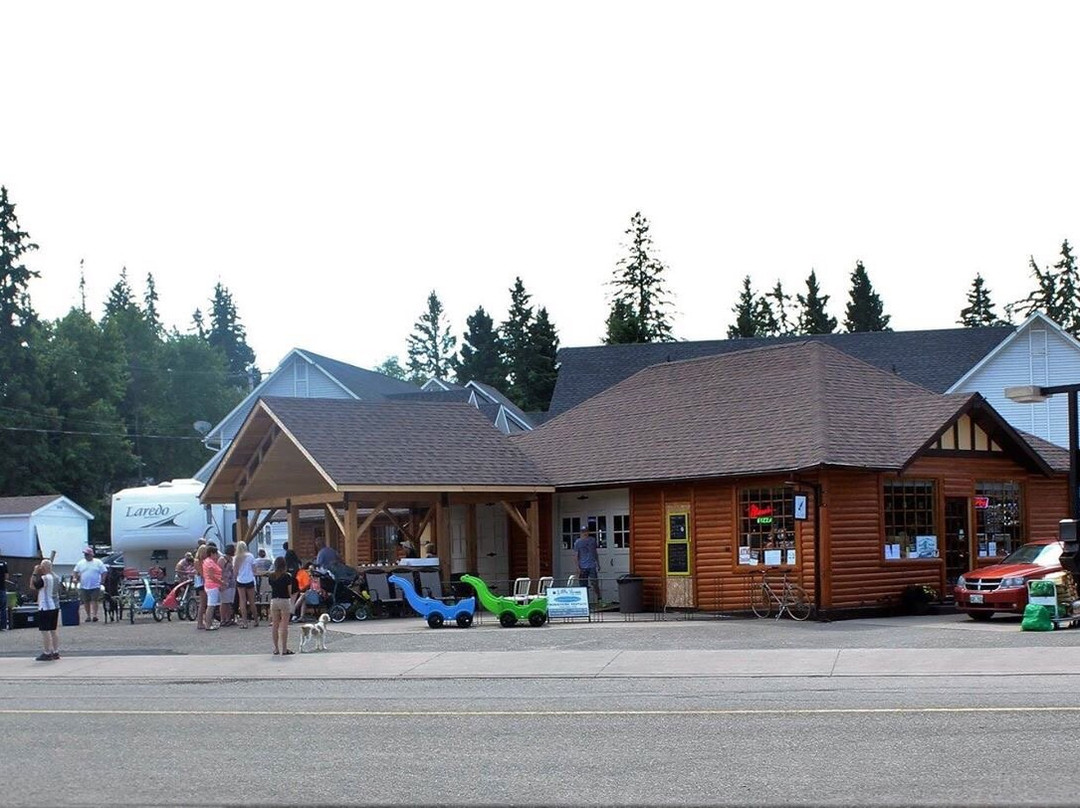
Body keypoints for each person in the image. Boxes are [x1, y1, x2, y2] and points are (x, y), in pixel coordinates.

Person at [31, 559, 60, 660]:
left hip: (45, 606)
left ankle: (47, 652)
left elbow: (32, 586)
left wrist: (35, 572)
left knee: (45, 630)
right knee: (53, 630)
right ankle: (55, 651)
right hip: (54, 605)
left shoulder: (45, 578)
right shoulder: (56, 577)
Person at [266, 556, 295, 655]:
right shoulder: (287, 576)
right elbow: (289, 591)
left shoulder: (271, 576)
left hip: (274, 600)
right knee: (284, 625)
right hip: (284, 600)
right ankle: (284, 649)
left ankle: (276, 649)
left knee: (275, 625)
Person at [73, 546, 108, 622]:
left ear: (91, 555)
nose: (86, 556)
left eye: (87, 554)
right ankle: (88, 615)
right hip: (84, 585)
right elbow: (75, 571)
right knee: (86, 601)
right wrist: (75, 578)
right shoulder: (80, 563)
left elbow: (104, 572)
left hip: (95, 585)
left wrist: (102, 580)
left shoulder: (98, 562)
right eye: (85, 554)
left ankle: (94, 615)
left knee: (94, 600)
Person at [573, 526, 601, 604]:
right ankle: (585, 602)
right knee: (583, 585)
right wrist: (577, 567)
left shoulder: (592, 540)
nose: (585, 533)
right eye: (583, 531)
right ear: (581, 533)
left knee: (595, 583)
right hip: (582, 566)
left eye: (586, 531)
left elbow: (595, 552)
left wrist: (598, 563)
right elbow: (576, 555)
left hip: (592, 565)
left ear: (588, 532)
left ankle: (599, 599)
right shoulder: (577, 542)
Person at [234, 540, 258, 628]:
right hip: (249, 579)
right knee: (252, 601)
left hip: (240, 580)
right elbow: (254, 569)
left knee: (242, 601)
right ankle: (256, 620)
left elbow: (235, 571)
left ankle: (244, 622)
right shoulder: (250, 556)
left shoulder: (236, 558)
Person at [202, 545, 223, 630]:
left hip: (209, 585)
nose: (217, 555)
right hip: (212, 586)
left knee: (211, 605)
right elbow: (211, 576)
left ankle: (209, 623)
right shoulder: (210, 562)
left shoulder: (207, 561)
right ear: (212, 553)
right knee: (211, 606)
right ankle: (208, 624)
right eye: (216, 553)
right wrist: (221, 582)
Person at [219, 544, 236, 627]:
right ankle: (222, 619)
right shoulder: (222, 559)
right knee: (224, 602)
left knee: (229, 602)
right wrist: (220, 583)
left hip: (232, 583)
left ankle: (228, 619)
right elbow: (219, 572)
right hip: (224, 583)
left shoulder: (232, 559)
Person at [193, 545, 208, 629]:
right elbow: (202, 573)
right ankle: (199, 622)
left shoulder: (203, 560)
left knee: (205, 602)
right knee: (203, 602)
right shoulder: (197, 561)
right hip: (201, 583)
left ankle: (204, 620)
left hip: (203, 582)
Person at [0, 553, 10, 631]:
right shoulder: (4, 563)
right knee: (3, 608)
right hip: (2, 588)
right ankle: (3, 626)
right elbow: (6, 576)